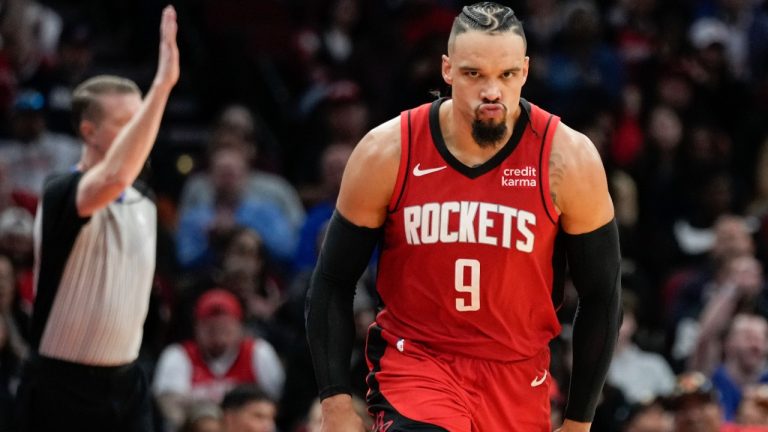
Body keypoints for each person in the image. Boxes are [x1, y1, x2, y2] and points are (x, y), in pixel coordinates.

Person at [305, 3, 621, 432]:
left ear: (525, 71)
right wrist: (337, 403)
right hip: (417, 364)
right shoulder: (389, 151)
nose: (492, 91)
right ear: (448, 70)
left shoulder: (568, 158)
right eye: (475, 74)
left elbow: (602, 294)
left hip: (516, 377)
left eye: (507, 74)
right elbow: (332, 280)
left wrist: (579, 422)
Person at [15, 6, 179, 432]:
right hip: (61, 389)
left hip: (128, 382)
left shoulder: (144, 196)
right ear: (88, 131)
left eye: (144, 116)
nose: (143, 128)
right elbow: (112, 176)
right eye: (128, 121)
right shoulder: (62, 191)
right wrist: (161, 88)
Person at [153, 289, 284, 430]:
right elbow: (170, 409)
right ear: (196, 327)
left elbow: (274, 402)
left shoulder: (258, 352)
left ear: (239, 326)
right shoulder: (178, 355)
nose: (218, 336)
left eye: (225, 327)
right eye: (211, 328)